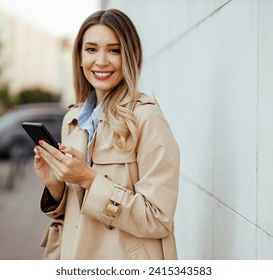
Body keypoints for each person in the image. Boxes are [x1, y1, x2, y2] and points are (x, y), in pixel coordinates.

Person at [33, 8, 180, 260]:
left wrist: (89, 179)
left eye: (114, 50)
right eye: (91, 49)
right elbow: (72, 214)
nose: (101, 61)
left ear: (130, 57)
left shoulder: (146, 118)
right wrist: (55, 185)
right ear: (79, 57)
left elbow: (158, 218)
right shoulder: (73, 120)